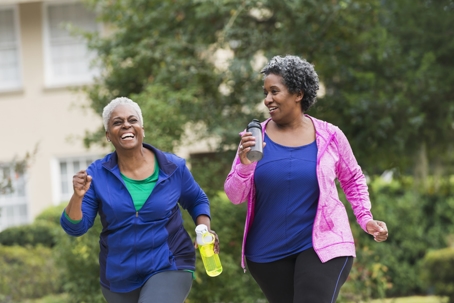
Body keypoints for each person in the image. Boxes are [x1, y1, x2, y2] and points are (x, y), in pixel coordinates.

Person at [224, 55, 388, 303]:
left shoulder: (330, 136)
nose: (267, 99)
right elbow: (234, 196)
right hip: (267, 254)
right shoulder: (254, 138)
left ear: (298, 94)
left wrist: (365, 217)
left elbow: (352, 178)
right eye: (266, 92)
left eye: (274, 91)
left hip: (323, 247)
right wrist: (245, 166)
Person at [60, 97, 219, 303]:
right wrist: (77, 197)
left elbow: (197, 199)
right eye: (117, 122)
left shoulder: (172, 167)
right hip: (118, 276)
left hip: (169, 263)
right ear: (108, 135)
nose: (126, 125)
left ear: (141, 128)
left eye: (132, 120)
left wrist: (204, 229)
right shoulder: (96, 176)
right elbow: (76, 228)